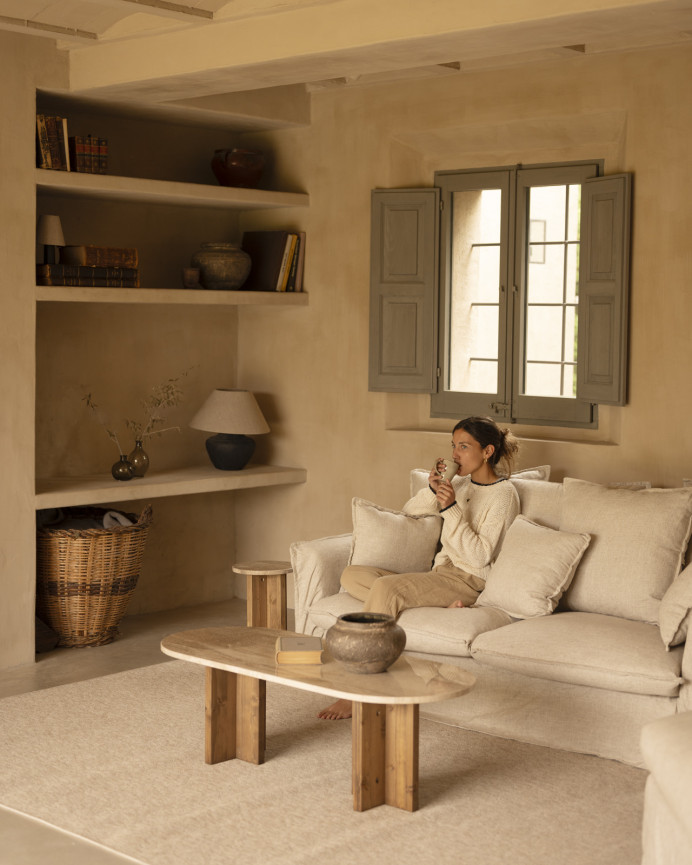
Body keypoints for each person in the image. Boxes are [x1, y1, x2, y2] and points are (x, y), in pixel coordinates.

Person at [318, 416, 520, 720]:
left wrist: (450, 510)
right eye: (453, 446)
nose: (455, 454)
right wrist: (434, 489)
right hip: (439, 575)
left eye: (464, 447)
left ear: (488, 451)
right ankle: (420, 605)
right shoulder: (461, 484)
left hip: (468, 580)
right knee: (352, 574)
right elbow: (409, 513)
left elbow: (479, 556)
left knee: (386, 589)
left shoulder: (504, 496)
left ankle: (360, 690)